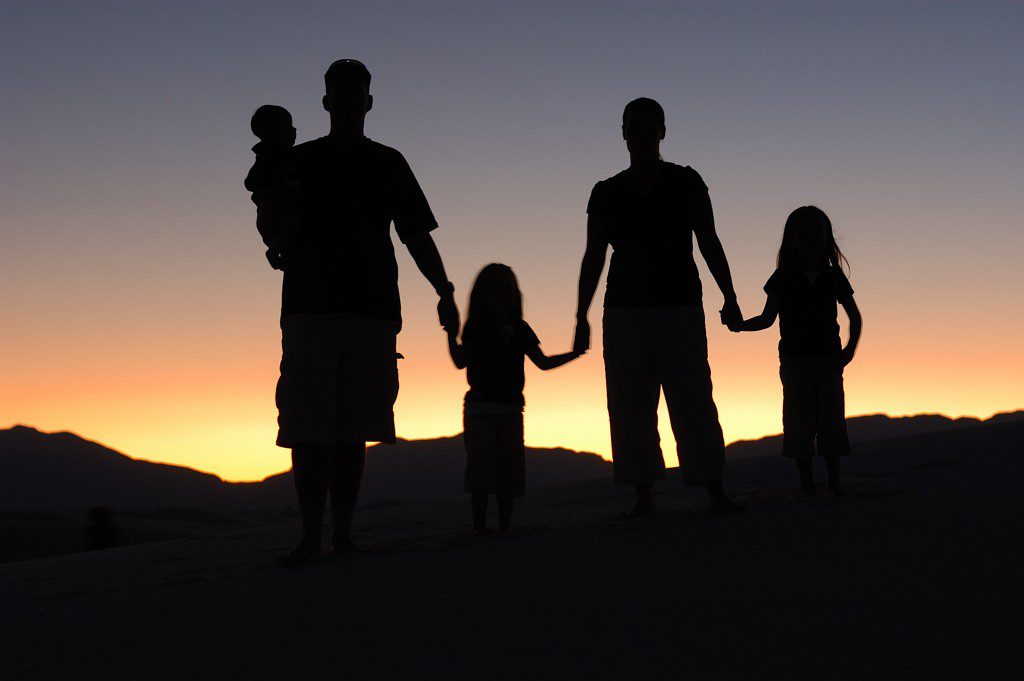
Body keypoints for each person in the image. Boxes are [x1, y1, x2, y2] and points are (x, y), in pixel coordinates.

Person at [249, 59, 460, 566]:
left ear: (367, 101)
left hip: (369, 308)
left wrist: (444, 289)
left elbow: (415, 234)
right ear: (326, 102)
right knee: (308, 423)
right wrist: (273, 240)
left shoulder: (388, 162)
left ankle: (339, 536)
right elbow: (266, 208)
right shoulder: (297, 160)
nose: (346, 100)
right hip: (311, 306)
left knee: (351, 427)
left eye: (355, 92)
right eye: (338, 92)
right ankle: (309, 537)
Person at [573, 97, 743, 516]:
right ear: (624, 133)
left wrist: (730, 296)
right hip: (625, 310)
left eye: (650, 125)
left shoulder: (686, 182)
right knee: (631, 403)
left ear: (662, 131)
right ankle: (644, 494)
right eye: (634, 125)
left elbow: (709, 241)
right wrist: (581, 315)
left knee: (693, 397)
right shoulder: (606, 192)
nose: (642, 132)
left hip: (679, 305)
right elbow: (594, 254)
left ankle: (713, 488)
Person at [727, 206, 862, 496]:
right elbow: (766, 319)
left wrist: (849, 350)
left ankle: (834, 482)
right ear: (792, 239)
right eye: (805, 234)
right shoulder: (783, 277)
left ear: (827, 238)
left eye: (818, 233)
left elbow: (855, 316)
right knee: (799, 421)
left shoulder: (833, 276)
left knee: (831, 418)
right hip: (795, 360)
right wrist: (739, 325)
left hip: (828, 359)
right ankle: (807, 483)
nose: (812, 239)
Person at [447, 264, 583, 534]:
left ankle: (501, 526)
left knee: (506, 468)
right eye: (496, 291)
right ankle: (481, 527)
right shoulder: (478, 328)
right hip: (483, 410)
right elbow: (462, 361)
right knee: (484, 469)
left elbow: (542, 363)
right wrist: (450, 334)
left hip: (508, 409)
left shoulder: (518, 329)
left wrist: (574, 354)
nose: (502, 296)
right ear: (483, 295)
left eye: (506, 291)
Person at [244, 104, 299, 270]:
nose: (294, 130)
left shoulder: (281, 155)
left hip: (275, 211)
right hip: (276, 209)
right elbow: (250, 182)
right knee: (294, 227)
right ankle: (275, 249)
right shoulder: (271, 156)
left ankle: (278, 249)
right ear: (275, 133)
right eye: (289, 126)